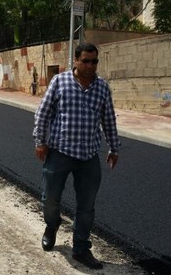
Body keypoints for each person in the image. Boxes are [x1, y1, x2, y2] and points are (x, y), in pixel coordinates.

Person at [32, 43, 120, 270]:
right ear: (76, 61)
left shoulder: (102, 87)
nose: (91, 65)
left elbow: (108, 120)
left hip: (88, 156)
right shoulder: (59, 82)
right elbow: (43, 113)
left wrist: (114, 148)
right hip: (59, 152)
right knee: (50, 199)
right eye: (86, 61)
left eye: (94, 61)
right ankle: (52, 225)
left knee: (87, 206)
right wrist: (40, 141)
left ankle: (80, 248)